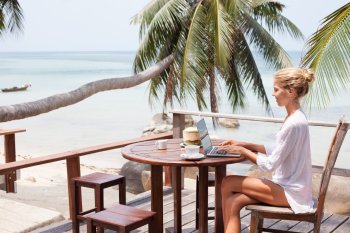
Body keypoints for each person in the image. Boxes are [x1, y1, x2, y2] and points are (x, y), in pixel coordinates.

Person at [218, 67, 315, 233]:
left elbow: (270, 165)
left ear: (290, 92)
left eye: (276, 89)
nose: (273, 94)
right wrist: (245, 144)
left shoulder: (293, 123)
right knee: (234, 201)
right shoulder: (296, 117)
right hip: (291, 188)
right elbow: (278, 148)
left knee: (228, 182)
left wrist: (242, 151)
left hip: (291, 193)